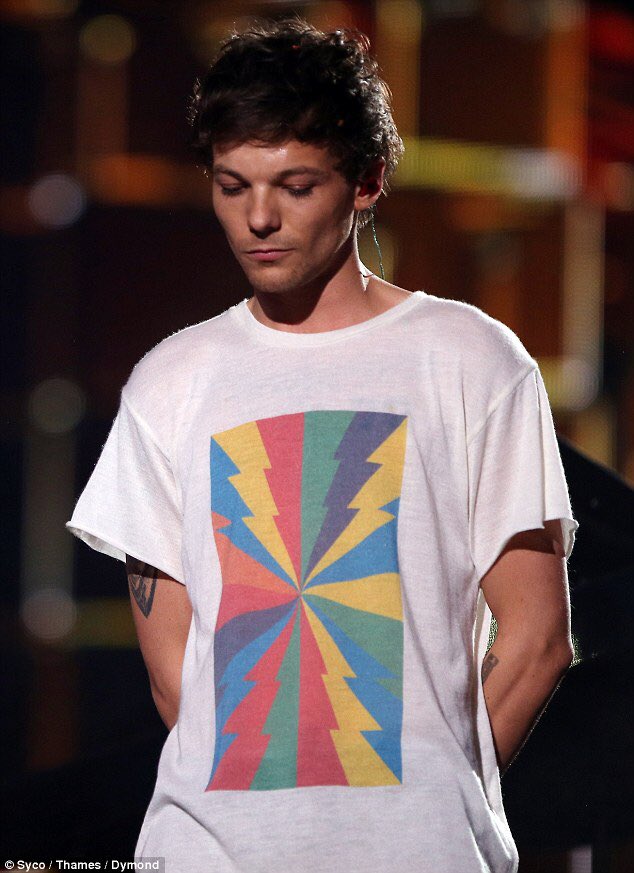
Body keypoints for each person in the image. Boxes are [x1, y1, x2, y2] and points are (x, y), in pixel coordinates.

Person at [66, 17, 579, 873]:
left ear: (367, 181)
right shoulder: (170, 380)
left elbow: (537, 638)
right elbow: (177, 678)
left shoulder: (470, 358)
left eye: (295, 186)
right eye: (232, 186)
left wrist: (429, 800)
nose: (259, 217)